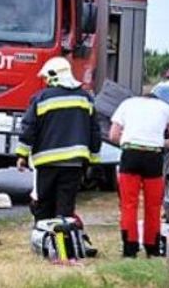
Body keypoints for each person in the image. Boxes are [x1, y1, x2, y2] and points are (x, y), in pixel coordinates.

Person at [15, 57, 101, 222]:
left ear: (53, 76)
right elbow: (94, 132)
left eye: (47, 78)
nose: (46, 81)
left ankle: (47, 242)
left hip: (47, 164)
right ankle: (64, 243)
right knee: (65, 210)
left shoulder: (41, 98)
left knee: (44, 208)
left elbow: (29, 128)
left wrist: (22, 155)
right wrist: (94, 160)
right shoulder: (85, 98)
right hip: (74, 164)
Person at [109, 89, 169, 258]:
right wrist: (161, 142)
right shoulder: (165, 108)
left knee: (129, 204)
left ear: (139, 97)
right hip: (153, 156)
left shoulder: (126, 104)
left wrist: (128, 138)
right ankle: (152, 247)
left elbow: (113, 135)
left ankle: (130, 247)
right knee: (153, 205)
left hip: (130, 155)